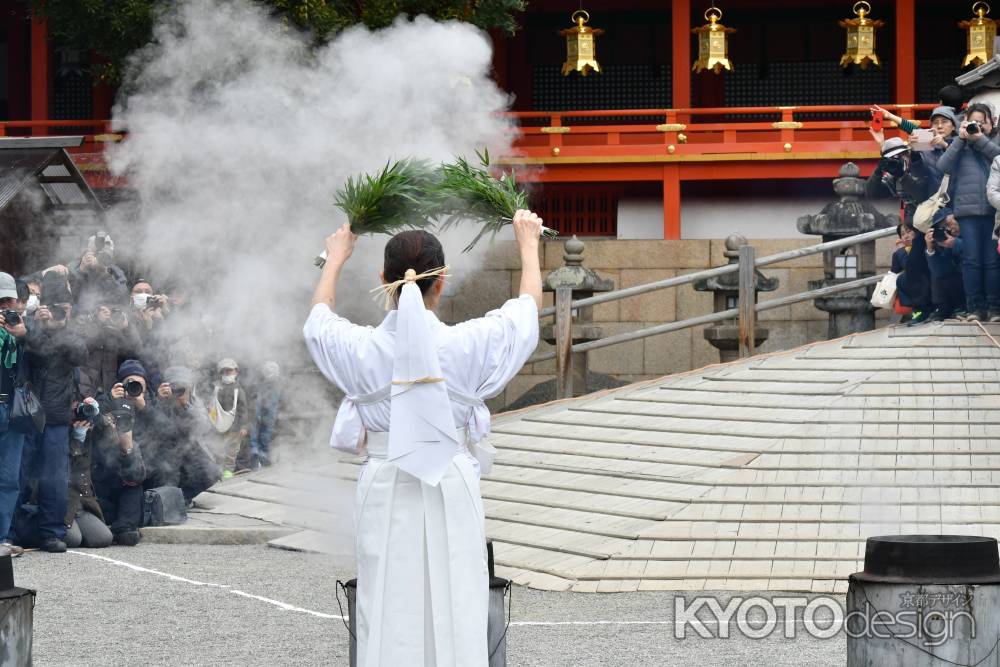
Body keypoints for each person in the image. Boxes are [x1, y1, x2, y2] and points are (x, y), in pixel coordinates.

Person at [303, 210, 543, 666]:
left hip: (384, 481)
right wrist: (528, 245)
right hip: (450, 482)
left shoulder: (361, 350)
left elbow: (318, 321)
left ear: (383, 280)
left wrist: (333, 259)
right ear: (442, 281)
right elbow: (525, 312)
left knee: (388, 601)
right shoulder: (466, 345)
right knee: (458, 599)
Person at [17, 272, 88, 552]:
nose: (59, 311)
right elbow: (34, 354)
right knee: (19, 476)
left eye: (65, 307)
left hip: (57, 417)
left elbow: (79, 355)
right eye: (54, 305)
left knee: (54, 479)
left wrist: (60, 327)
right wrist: (38, 326)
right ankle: (11, 531)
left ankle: (51, 532)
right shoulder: (30, 326)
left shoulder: (72, 332)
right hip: (25, 415)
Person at [937, 102, 1000, 322]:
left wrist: (979, 139)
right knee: (972, 260)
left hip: (995, 210)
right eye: (973, 122)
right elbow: (942, 166)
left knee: (993, 260)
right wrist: (961, 140)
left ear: (992, 122)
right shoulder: (958, 144)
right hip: (968, 211)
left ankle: (994, 308)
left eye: (981, 122)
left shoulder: (995, 140)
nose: (977, 126)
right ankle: (974, 307)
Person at [867, 139, 937, 322]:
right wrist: (877, 172)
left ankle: (939, 306)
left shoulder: (920, 165)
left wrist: (903, 176)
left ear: (907, 153)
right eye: (891, 158)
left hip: (933, 221)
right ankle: (921, 308)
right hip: (913, 226)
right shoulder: (892, 173)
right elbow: (873, 193)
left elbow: (923, 193)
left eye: (899, 155)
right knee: (913, 267)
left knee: (934, 266)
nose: (897, 160)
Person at [144, 366, 220, 504]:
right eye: (175, 385)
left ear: (190, 387)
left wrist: (186, 405)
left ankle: (183, 498)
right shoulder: (159, 400)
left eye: (182, 386)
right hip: (164, 452)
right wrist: (160, 401)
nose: (178, 390)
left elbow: (204, 427)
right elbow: (153, 428)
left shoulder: (194, 401)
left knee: (211, 472)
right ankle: (169, 501)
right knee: (168, 475)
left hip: (189, 449)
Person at [0, 272, 29, 556]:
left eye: (9, 301)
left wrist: (24, 337)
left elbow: (50, 354)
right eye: (0, 301)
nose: (5, 307)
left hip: (13, 409)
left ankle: (1, 538)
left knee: (9, 478)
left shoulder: (25, 329)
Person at [208, 358, 250, 476]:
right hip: (218, 427)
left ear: (236, 372)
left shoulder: (239, 390)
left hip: (235, 428)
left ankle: (227, 475)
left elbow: (243, 410)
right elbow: (210, 406)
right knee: (218, 451)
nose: (227, 374)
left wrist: (244, 427)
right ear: (220, 373)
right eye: (224, 371)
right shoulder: (215, 388)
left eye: (229, 371)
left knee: (231, 453)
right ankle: (218, 474)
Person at [924, 208, 966, 321]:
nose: (948, 228)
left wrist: (956, 244)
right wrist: (930, 249)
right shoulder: (944, 239)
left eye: (948, 223)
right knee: (941, 275)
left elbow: (975, 253)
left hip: (975, 278)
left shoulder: (971, 230)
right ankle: (942, 309)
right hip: (956, 283)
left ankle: (961, 308)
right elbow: (939, 271)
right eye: (943, 227)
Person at [249, 361, 282, 468]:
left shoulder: (277, 385)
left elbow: (278, 400)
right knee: (256, 428)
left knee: (264, 433)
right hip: (263, 413)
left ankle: (262, 456)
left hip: (269, 414)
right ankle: (257, 452)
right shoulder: (261, 385)